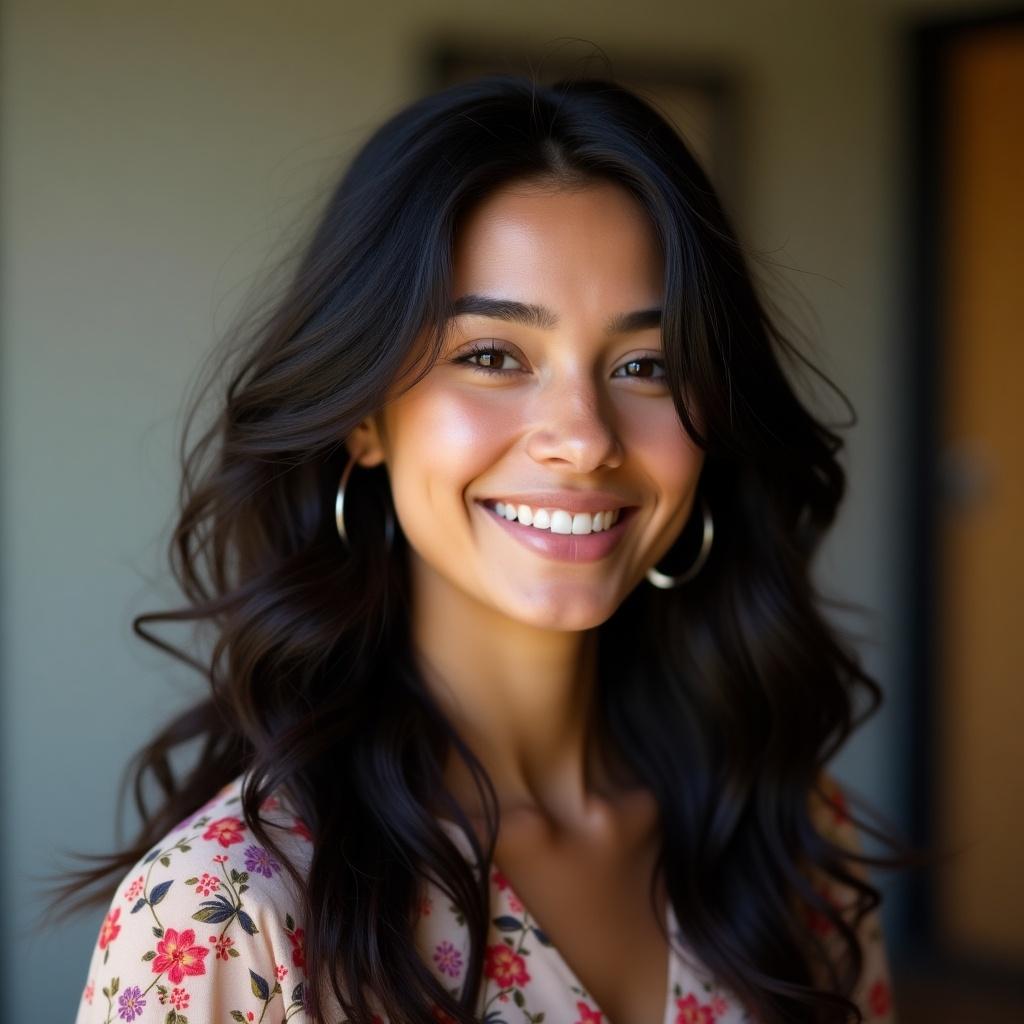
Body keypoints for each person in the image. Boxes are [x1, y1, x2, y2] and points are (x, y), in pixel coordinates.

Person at [49, 73, 913, 1024]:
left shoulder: (792, 836)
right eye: (494, 356)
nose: (583, 438)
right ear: (364, 418)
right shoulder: (227, 916)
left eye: (647, 366)